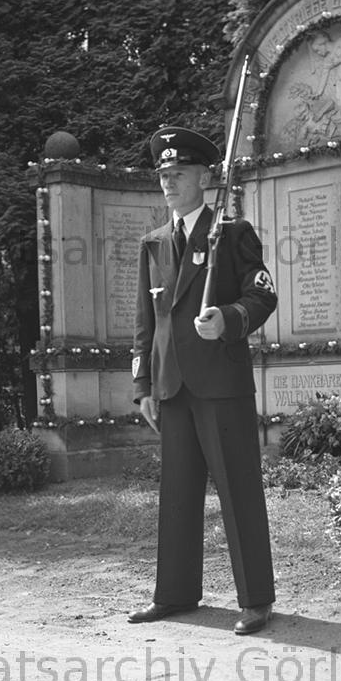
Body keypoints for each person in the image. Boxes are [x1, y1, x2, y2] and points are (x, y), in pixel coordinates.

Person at [128, 125, 277, 635]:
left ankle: (255, 600)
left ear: (204, 178)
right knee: (177, 496)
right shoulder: (153, 244)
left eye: (179, 173)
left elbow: (262, 295)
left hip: (221, 384)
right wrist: (143, 387)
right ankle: (174, 594)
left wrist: (229, 319)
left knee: (238, 491)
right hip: (171, 387)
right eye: (163, 174)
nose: (168, 182)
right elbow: (146, 322)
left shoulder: (232, 234)